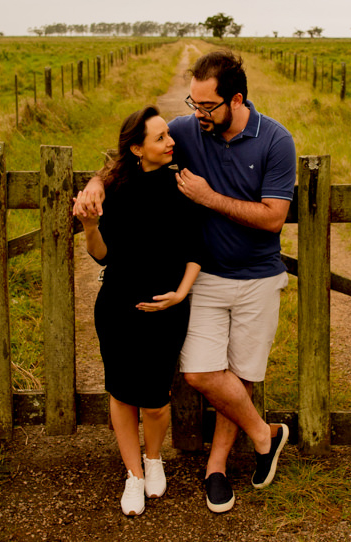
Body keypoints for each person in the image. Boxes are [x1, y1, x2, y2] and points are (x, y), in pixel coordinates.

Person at [74, 50, 295, 514]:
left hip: (258, 276)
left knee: (241, 374)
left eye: (206, 106)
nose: (195, 116)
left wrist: (208, 197)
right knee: (199, 373)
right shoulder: (187, 129)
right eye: (191, 104)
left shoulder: (276, 141)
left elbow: (274, 219)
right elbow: (130, 152)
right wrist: (95, 182)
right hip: (209, 278)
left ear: (235, 100)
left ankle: (217, 468)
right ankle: (264, 435)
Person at [73, 105, 203, 517]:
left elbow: (196, 249)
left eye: (169, 135)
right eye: (160, 137)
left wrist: (181, 294)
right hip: (117, 307)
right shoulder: (116, 190)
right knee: (122, 393)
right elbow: (102, 255)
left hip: (166, 310)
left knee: (155, 400)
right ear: (136, 148)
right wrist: (90, 228)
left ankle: (154, 457)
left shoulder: (180, 185)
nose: (171, 142)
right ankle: (134, 474)